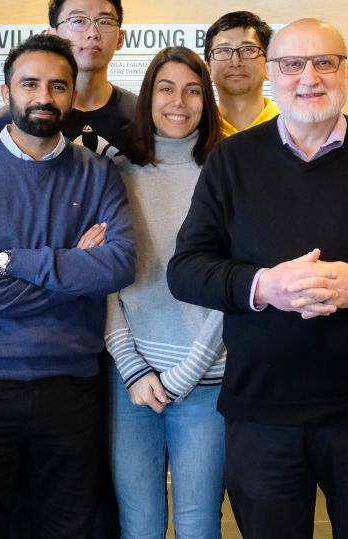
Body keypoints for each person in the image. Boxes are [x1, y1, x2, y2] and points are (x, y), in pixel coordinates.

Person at [167, 18, 348, 539]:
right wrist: (265, 287)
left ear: (346, 73)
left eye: (325, 62)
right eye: (292, 64)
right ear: (271, 74)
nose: (309, 77)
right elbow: (186, 270)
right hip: (261, 415)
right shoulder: (233, 160)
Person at [0, 33, 137, 539]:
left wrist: (2, 261)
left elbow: (117, 267)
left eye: (57, 86)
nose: (43, 97)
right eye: (30, 84)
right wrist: (72, 275)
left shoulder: (99, 174)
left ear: (72, 95)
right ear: (6, 93)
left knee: (67, 526)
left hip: (72, 388)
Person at [104, 47, 227, 539]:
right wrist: (131, 365)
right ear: (148, 95)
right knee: (139, 527)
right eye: (166, 88)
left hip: (206, 379)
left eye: (193, 90)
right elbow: (106, 277)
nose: (180, 101)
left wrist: (187, 373)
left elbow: (234, 283)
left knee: (199, 526)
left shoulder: (227, 170)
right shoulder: (116, 169)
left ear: (207, 99)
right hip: (129, 379)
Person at [0, 0, 137, 154]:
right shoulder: (7, 123)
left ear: (120, 38)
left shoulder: (140, 116)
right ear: (51, 35)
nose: (93, 33)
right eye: (78, 21)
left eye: (105, 22)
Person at [203, 10, 280, 135]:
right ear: (208, 69)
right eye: (223, 51)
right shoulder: (198, 135)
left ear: (269, 67)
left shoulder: (292, 131)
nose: (235, 62)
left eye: (248, 50)